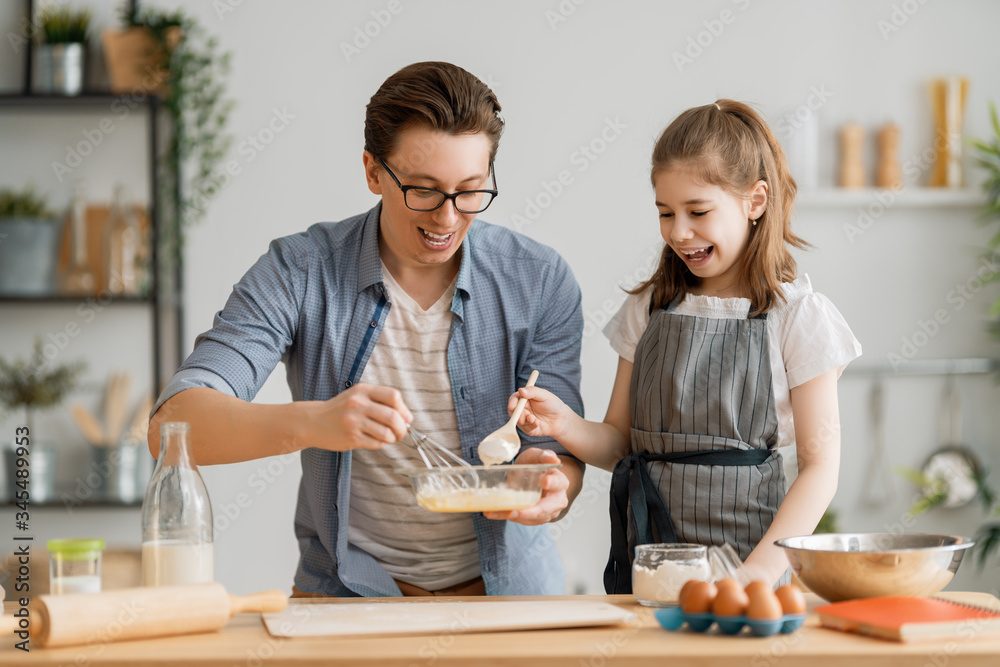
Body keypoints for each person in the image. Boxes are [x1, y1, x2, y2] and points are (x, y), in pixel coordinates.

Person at [148, 61, 585, 597]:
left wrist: (553, 482)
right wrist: (315, 421)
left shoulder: (538, 279)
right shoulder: (300, 271)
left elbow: (564, 451)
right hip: (348, 595)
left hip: (510, 600)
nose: (447, 218)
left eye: (469, 190)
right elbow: (175, 424)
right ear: (373, 171)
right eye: (422, 190)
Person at [508, 100, 861, 592]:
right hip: (651, 571)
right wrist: (563, 425)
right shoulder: (649, 309)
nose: (678, 232)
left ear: (755, 201)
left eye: (698, 211)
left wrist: (755, 575)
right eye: (665, 212)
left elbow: (821, 470)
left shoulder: (798, 318)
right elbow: (620, 444)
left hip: (752, 570)